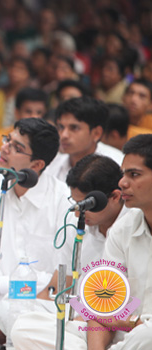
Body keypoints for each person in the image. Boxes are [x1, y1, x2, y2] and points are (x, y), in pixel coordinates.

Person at [8, 154, 131, 350]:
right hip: (77, 319)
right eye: (76, 204)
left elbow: (130, 303)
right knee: (18, 320)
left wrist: (90, 318)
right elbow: (58, 287)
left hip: (117, 323)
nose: (77, 214)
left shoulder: (133, 227)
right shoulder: (76, 224)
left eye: (86, 206)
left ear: (115, 197)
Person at [0, 118, 76, 343]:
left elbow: (63, 281)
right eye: (7, 140)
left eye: (16, 148)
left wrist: (8, 319)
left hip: (40, 307)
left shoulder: (63, 202)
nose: (4, 148)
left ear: (37, 165)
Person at [80, 134, 152, 349]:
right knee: (29, 326)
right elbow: (100, 309)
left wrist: (136, 323)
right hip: (123, 339)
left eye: (134, 174)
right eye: (123, 174)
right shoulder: (122, 229)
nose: (122, 183)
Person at [44, 97, 124, 182]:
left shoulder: (119, 165)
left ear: (96, 133)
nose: (64, 135)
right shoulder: (50, 163)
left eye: (74, 128)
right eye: (61, 127)